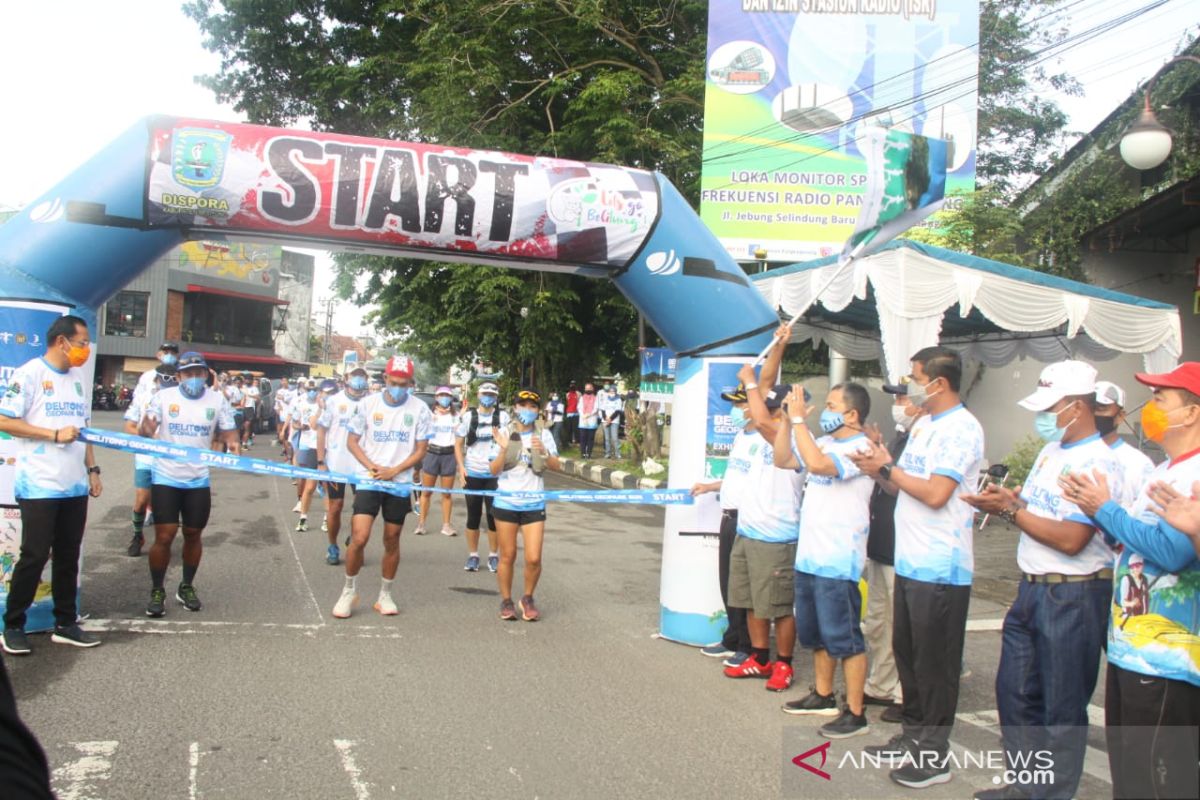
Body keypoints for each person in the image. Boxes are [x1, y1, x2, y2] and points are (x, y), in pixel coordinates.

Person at [964, 361, 1123, 800]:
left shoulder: (1097, 463)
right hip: (1031, 587)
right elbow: (1035, 507)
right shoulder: (1053, 452)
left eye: (1050, 407)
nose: (1043, 417)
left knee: (1062, 706)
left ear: (1076, 407)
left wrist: (1010, 512)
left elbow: (1072, 539)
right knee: (1015, 693)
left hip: (1073, 593)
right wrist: (1006, 500)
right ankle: (1027, 786)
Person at [1060, 362, 1200, 800]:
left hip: (1167, 660)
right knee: (1130, 774)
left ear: (1192, 413)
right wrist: (1096, 513)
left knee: (1158, 780)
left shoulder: (1194, 474)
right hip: (1131, 650)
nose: (1149, 408)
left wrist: (1107, 510)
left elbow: (1174, 553)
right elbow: (1138, 547)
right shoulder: (1164, 469)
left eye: (1161, 399)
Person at [850, 346, 984, 789]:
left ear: (938, 383)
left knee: (934, 666)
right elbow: (900, 485)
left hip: (940, 568)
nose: (909, 385)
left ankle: (934, 754)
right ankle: (911, 736)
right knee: (908, 659)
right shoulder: (925, 424)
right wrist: (877, 468)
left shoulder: (962, 429)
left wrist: (889, 467)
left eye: (914, 376)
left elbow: (935, 493)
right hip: (910, 561)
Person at [776, 381, 876, 740]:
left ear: (852, 414)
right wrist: (788, 421)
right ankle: (822, 695)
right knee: (817, 635)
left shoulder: (863, 447)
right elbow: (784, 459)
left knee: (845, 638)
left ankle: (856, 711)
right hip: (810, 556)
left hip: (839, 559)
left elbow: (818, 466)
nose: (827, 411)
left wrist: (801, 421)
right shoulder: (825, 441)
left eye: (833, 405)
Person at [0, 315, 104, 654]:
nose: (85, 349)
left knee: (67, 556)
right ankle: (13, 624)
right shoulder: (29, 373)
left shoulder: (77, 380)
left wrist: (93, 469)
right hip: (40, 484)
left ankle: (65, 622)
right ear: (62, 341)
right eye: (82, 342)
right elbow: (5, 420)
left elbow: (82, 429)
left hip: (74, 485)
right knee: (34, 555)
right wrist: (52, 434)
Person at [722, 329, 802, 692]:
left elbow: (762, 392)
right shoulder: (756, 431)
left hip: (777, 536)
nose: (752, 412)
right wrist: (781, 344)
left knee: (780, 606)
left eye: (764, 407)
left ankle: (784, 664)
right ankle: (759, 657)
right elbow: (766, 382)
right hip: (748, 532)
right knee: (751, 600)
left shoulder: (791, 438)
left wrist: (752, 384)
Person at [135, 352, 239, 617]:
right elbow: (146, 429)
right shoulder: (163, 398)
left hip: (197, 479)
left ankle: (186, 586)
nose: (194, 378)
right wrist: (145, 427)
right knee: (165, 535)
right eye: (189, 373)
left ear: (207, 375)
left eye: (199, 373)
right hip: (166, 476)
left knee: (193, 534)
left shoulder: (217, 400)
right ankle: (157, 590)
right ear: (179, 376)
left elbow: (228, 429)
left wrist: (233, 443)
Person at [333, 356, 431, 619]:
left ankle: (385, 594)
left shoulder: (420, 409)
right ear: (385, 379)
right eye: (394, 382)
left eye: (404, 383)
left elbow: (421, 449)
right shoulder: (367, 404)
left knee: (391, 539)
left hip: (398, 483)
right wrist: (373, 467)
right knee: (359, 538)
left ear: (411, 383)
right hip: (370, 479)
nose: (398, 388)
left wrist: (395, 471)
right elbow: (352, 442)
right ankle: (348, 590)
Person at [861, 383, 920, 726]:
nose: (899, 405)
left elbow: (900, 486)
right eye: (897, 398)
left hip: (904, 550)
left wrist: (879, 466)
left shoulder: (925, 438)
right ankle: (880, 685)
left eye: (904, 397)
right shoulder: (902, 436)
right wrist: (880, 454)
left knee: (901, 626)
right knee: (878, 623)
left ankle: (904, 693)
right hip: (882, 544)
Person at [690, 382, 756, 667]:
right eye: (734, 405)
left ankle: (747, 644)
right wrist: (709, 486)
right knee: (728, 581)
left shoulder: (764, 441)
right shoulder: (742, 435)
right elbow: (734, 478)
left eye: (741, 404)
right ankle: (732, 638)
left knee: (743, 586)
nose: (736, 411)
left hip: (747, 519)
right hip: (728, 516)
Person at [490, 389, 560, 621]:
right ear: (515, 407)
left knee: (533, 558)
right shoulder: (504, 433)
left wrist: (544, 452)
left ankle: (527, 598)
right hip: (506, 502)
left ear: (538, 411)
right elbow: (493, 470)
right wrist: (502, 448)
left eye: (532, 407)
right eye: (523, 405)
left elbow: (556, 466)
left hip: (533, 503)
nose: (527, 410)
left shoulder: (543, 435)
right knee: (507, 555)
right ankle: (506, 600)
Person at [317, 367, 370, 566]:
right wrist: (321, 462)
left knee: (361, 509)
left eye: (362, 377)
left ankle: (354, 542)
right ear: (347, 379)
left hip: (362, 466)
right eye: (355, 376)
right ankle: (332, 545)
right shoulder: (334, 401)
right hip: (336, 464)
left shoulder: (371, 403)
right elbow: (321, 431)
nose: (358, 381)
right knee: (335, 507)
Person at [122, 363, 177, 557]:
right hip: (146, 456)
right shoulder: (143, 398)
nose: (168, 383)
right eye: (164, 379)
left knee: (167, 504)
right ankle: (137, 536)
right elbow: (129, 426)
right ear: (156, 380)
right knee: (141, 499)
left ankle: (163, 541)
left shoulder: (183, 401)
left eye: (173, 379)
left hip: (171, 460)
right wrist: (148, 436)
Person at [455, 382, 508, 573]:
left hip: (494, 474)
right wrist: (461, 469)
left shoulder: (503, 417)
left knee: (494, 517)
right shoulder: (469, 417)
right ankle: (473, 555)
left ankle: (493, 556)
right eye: (485, 393)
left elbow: (508, 444)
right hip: (473, 473)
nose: (488, 397)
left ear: (496, 397)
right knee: (473, 516)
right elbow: (458, 443)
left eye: (492, 394)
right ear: (478, 395)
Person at [1094, 380, 1155, 506]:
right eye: (1090, 409)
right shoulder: (1070, 452)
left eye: (1101, 409)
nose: (1094, 415)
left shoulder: (1139, 464)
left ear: (1120, 416)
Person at [415, 386, 458, 537]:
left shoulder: (456, 416)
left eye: (447, 395)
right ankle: (421, 524)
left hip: (449, 455)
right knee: (426, 492)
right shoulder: (429, 414)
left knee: (446, 494)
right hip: (432, 453)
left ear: (451, 399)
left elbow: (460, 437)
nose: (444, 398)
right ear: (436, 398)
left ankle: (446, 525)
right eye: (441, 395)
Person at [291, 381, 323, 531]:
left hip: (324, 448)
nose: (312, 392)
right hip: (306, 446)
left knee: (325, 486)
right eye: (310, 389)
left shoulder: (327, 404)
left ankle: (326, 519)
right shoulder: (300, 403)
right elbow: (294, 423)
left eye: (315, 389)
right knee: (305, 481)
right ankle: (302, 513)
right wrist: (300, 427)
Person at [600, 384, 623, 459]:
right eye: (610, 391)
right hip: (605, 420)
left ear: (616, 392)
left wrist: (610, 419)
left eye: (613, 391)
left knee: (614, 438)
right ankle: (608, 453)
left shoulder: (618, 399)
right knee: (607, 438)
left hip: (614, 421)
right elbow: (603, 410)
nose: (611, 392)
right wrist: (606, 418)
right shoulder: (605, 399)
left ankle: (618, 453)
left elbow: (618, 411)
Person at [577, 382, 599, 458]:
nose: (588, 389)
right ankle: (583, 453)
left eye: (589, 388)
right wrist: (583, 415)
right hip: (583, 420)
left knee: (590, 438)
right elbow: (579, 408)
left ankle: (589, 453)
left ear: (592, 389)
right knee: (583, 437)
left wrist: (589, 414)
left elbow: (596, 408)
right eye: (586, 388)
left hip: (592, 420)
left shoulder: (596, 398)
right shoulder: (582, 398)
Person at [275, 377, 295, 458]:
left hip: (290, 416)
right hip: (282, 416)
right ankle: (286, 450)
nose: (284, 382)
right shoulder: (279, 391)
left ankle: (289, 453)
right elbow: (277, 403)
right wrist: (278, 411)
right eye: (282, 381)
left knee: (289, 435)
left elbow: (288, 401)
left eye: (285, 381)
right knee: (282, 434)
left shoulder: (293, 392)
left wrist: (283, 398)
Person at [241, 372, 260, 448]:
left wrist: (250, 395)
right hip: (241, 408)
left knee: (247, 426)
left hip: (250, 409)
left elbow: (258, 398)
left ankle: (244, 443)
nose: (248, 381)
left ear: (252, 380)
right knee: (241, 427)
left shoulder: (254, 388)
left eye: (249, 379)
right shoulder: (241, 387)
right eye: (246, 379)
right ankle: (241, 440)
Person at [564, 381, 580, 446]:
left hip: (576, 413)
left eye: (574, 384)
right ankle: (569, 441)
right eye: (571, 384)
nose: (572, 386)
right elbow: (567, 402)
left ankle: (577, 441)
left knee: (576, 428)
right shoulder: (567, 394)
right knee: (569, 428)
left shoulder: (578, 394)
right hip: (569, 413)